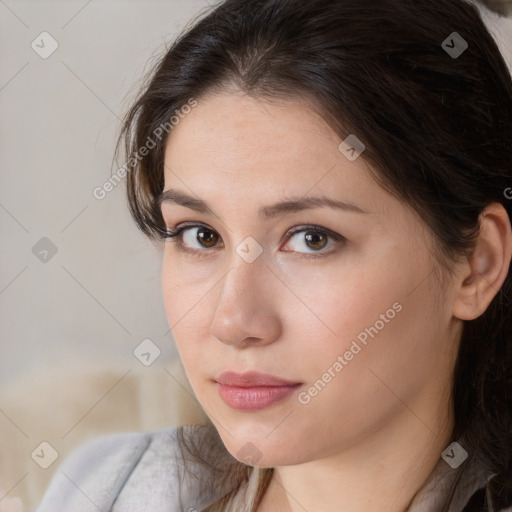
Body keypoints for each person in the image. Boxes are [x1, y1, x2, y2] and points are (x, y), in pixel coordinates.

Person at [36, 0, 512, 510]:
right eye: (200, 235)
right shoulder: (106, 489)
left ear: (476, 265)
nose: (233, 321)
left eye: (312, 238)